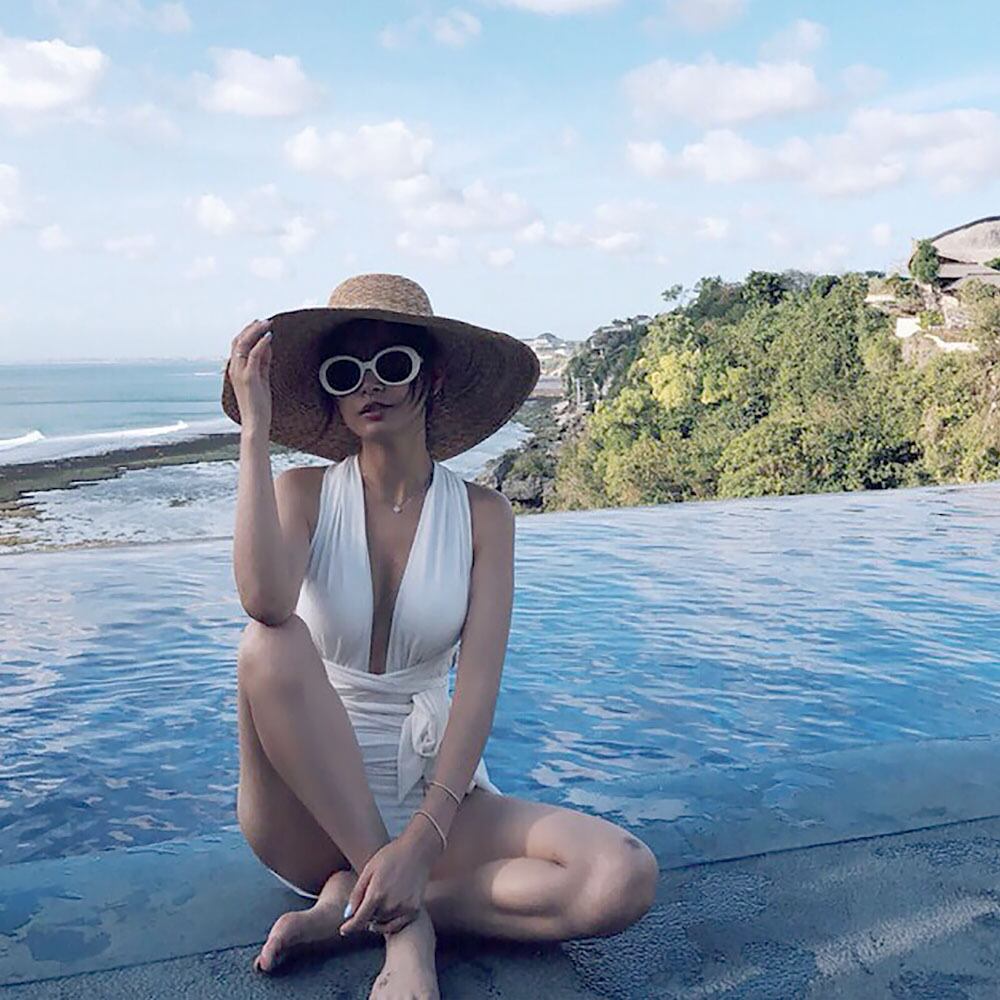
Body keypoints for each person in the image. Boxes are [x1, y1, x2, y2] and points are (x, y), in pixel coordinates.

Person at [223, 273, 659, 998]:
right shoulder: (303, 495)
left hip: (428, 789)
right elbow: (264, 600)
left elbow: (477, 689)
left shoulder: (485, 516)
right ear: (332, 394)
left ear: (432, 375)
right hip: (306, 806)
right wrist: (254, 431)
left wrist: (423, 841)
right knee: (269, 641)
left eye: (391, 363)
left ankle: (360, 905)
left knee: (621, 876)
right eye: (345, 373)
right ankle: (403, 928)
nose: (369, 384)